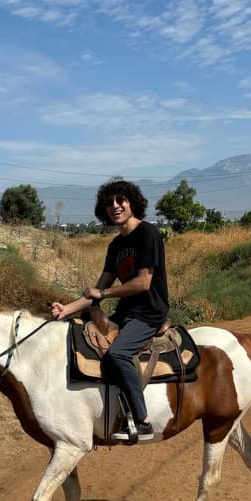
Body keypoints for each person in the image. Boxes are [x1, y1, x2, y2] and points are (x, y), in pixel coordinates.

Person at [50, 178, 169, 441]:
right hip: (127, 312)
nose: (115, 206)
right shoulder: (115, 246)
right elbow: (98, 289)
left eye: (120, 200)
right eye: (109, 203)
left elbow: (143, 282)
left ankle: (143, 420)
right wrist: (66, 309)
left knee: (117, 355)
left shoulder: (148, 234)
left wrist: (103, 294)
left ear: (132, 203)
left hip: (149, 312)